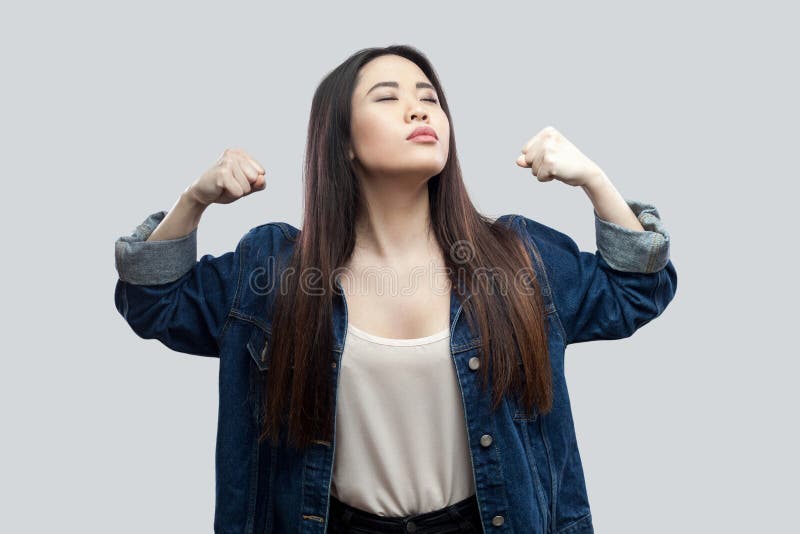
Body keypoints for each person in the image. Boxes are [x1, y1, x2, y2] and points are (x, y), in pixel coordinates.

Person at [114, 45, 677, 534]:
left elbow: (637, 292)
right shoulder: (273, 270)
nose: (418, 108)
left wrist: (594, 181)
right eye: (387, 97)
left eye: (429, 97)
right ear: (344, 143)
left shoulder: (518, 258)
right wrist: (195, 199)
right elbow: (154, 303)